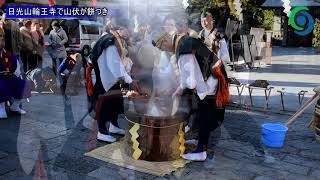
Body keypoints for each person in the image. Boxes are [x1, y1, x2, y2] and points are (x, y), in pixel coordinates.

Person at [161, 32, 229, 161]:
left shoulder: (183, 47)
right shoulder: (184, 42)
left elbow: (192, 79)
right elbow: (189, 73)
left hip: (211, 79)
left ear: (167, 40)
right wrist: (180, 88)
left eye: (164, 45)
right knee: (200, 111)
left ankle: (201, 151)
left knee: (204, 113)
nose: (165, 49)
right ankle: (199, 141)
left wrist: (185, 89)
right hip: (211, 77)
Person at [89, 23, 136, 143]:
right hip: (106, 81)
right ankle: (102, 132)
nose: (129, 33)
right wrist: (129, 80)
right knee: (104, 106)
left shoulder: (114, 39)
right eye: (128, 29)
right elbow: (115, 65)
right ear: (119, 29)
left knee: (115, 103)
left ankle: (114, 126)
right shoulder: (109, 42)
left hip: (113, 80)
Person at [0, 28, 31, 119]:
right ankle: (1, 108)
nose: (2, 40)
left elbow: (16, 67)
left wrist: (16, 76)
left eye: (2, 38)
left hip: (8, 77)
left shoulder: (8, 53)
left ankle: (15, 106)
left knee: (23, 84)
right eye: (0, 37)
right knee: (2, 86)